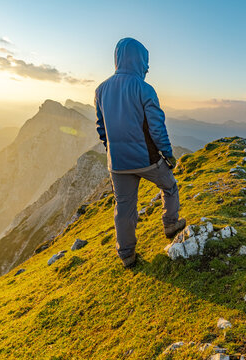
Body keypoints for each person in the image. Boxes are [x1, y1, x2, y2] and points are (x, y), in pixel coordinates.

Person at [94, 37, 186, 268]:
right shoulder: (145, 89)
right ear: (138, 60)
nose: (147, 66)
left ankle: (126, 255)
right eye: (146, 60)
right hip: (147, 159)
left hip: (117, 163)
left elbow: (101, 127)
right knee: (170, 186)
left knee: (124, 207)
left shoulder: (101, 90)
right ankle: (171, 224)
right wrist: (168, 154)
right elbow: (156, 127)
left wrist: (111, 149)